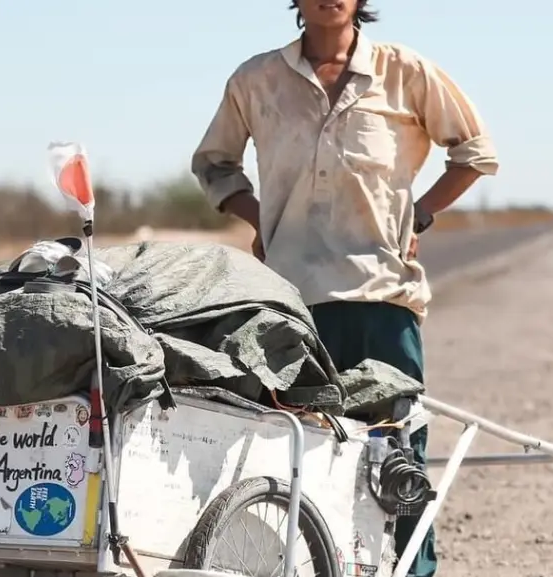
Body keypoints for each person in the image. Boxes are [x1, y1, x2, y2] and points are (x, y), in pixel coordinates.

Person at [190, 1, 498, 575]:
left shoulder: (404, 72)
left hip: (380, 296)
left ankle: (410, 569)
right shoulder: (256, 79)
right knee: (290, 446)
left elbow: (474, 154)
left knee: (396, 453)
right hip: (290, 301)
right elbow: (215, 163)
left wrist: (420, 216)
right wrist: (262, 220)